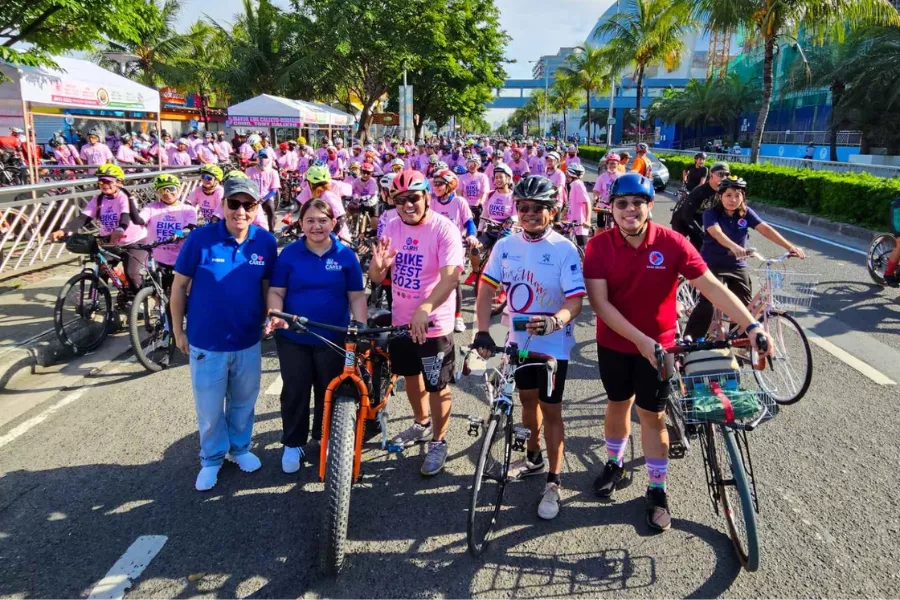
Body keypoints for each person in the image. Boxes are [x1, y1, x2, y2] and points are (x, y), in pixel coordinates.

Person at [583, 173, 773, 532]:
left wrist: (752, 325)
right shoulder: (599, 246)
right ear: (612, 208)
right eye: (622, 203)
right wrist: (640, 340)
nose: (630, 210)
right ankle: (614, 461)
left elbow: (713, 288)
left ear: (650, 205)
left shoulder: (672, 243)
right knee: (618, 404)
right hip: (616, 344)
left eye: (638, 203)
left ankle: (657, 490)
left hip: (661, 347)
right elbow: (600, 304)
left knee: (652, 416)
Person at [473, 175, 585, 520]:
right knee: (525, 402)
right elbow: (485, 289)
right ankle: (533, 457)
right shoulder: (505, 245)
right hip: (518, 340)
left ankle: (553, 481)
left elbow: (576, 299)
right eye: (524, 208)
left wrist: (557, 320)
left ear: (553, 211)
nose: (531, 214)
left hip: (553, 344)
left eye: (539, 208)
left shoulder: (564, 248)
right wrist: (481, 331)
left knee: (551, 411)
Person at [171, 176, 278, 492]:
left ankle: (240, 448)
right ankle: (212, 457)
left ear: (257, 208)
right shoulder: (200, 240)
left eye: (248, 205)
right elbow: (178, 287)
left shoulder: (265, 242)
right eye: (234, 204)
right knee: (209, 405)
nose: (241, 212)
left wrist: (266, 319)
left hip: (247, 339)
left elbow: (267, 287)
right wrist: (178, 330)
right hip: (207, 341)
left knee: (244, 401)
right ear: (223, 205)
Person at [368, 170, 464, 476]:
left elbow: (451, 277)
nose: (408, 205)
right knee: (410, 376)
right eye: (400, 200)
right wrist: (378, 267)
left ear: (426, 197)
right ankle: (421, 423)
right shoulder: (391, 226)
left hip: (433, 322)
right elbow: (375, 277)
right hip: (401, 321)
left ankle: (438, 440)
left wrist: (426, 306)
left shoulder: (443, 229)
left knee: (437, 384)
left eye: (413, 198)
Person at [265, 199, 367, 473]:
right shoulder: (289, 254)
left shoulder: (345, 256)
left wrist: (360, 327)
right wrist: (276, 314)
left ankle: (324, 437)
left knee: (329, 389)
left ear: (333, 223)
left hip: (333, 337)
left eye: (322, 220)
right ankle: (293, 442)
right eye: (309, 220)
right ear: (301, 224)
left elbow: (356, 296)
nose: (316, 226)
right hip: (293, 337)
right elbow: (276, 291)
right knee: (295, 390)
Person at [684, 176, 806, 339]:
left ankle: (739, 338)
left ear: (743, 197)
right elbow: (716, 232)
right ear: (720, 196)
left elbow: (765, 229)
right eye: (728, 195)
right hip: (712, 264)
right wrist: (734, 247)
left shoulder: (745, 213)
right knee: (709, 302)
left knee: (745, 305)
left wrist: (790, 247)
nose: (733, 199)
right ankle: (690, 341)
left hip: (736, 265)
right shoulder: (710, 213)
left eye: (737, 195)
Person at [49, 164, 147, 289]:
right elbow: (83, 218)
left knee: (131, 273)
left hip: (134, 241)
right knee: (102, 270)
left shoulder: (124, 197)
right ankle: (100, 300)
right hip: (110, 241)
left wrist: (120, 229)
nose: (104, 184)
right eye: (101, 181)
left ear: (119, 182)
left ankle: (138, 297)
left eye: (108, 181)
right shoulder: (98, 199)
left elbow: (125, 216)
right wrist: (64, 230)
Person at [430, 168, 480, 332]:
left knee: (453, 281)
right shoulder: (432, 201)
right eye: (434, 183)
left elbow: (469, 222)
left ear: (449, 186)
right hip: (435, 245)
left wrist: (471, 236)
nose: (436, 187)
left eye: (439, 184)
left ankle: (457, 316)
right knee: (433, 279)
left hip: (454, 246)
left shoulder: (459, 202)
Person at [137, 173, 198, 303]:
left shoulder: (188, 209)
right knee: (157, 291)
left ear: (178, 189)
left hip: (181, 259)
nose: (167, 193)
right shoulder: (152, 207)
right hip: (159, 259)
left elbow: (191, 228)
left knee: (190, 291)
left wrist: (180, 233)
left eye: (171, 189)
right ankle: (163, 315)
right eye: (162, 190)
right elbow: (140, 220)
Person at [466, 162, 515, 285]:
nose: (497, 179)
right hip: (490, 231)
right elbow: (484, 215)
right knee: (474, 249)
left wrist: (511, 220)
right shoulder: (491, 194)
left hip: (505, 232)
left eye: (500, 177)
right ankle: (475, 272)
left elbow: (517, 215)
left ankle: (504, 286)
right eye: (496, 177)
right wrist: (479, 230)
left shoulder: (514, 196)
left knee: (500, 257)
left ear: (508, 178)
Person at [671, 161, 731, 250]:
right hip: (683, 220)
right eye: (721, 174)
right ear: (711, 175)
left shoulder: (722, 192)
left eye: (727, 174)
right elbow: (687, 214)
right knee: (678, 248)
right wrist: (700, 231)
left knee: (698, 249)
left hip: (699, 220)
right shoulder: (699, 191)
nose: (724, 177)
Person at [246, 149, 281, 232]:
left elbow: (274, 190)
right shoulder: (249, 171)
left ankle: (271, 230)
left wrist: (263, 199)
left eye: (265, 157)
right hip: (253, 197)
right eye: (260, 157)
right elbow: (246, 185)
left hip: (266, 197)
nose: (263, 160)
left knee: (270, 208)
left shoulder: (273, 172)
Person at [564, 162, 592, 248]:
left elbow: (587, 202)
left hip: (579, 221)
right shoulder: (573, 185)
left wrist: (587, 220)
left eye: (567, 173)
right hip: (572, 220)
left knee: (582, 247)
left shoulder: (578, 184)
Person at [459, 155, 490, 227]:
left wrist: (481, 203)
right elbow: (459, 192)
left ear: (478, 165)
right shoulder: (462, 177)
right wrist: (463, 204)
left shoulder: (483, 177)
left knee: (479, 226)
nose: (472, 166)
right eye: (470, 163)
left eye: (474, 164)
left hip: (478, 206)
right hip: (466, 206)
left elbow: (485, 192)